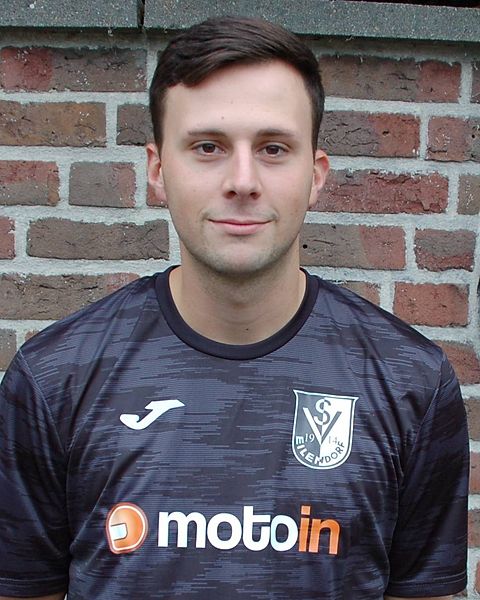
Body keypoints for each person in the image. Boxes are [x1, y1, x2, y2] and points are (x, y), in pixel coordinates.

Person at [0, 16, 468, 600]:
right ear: (157, 170)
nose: (242, 181)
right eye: (208, 147)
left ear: (315, 175)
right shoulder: (53, 380)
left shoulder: (411, 383)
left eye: (273, 148)